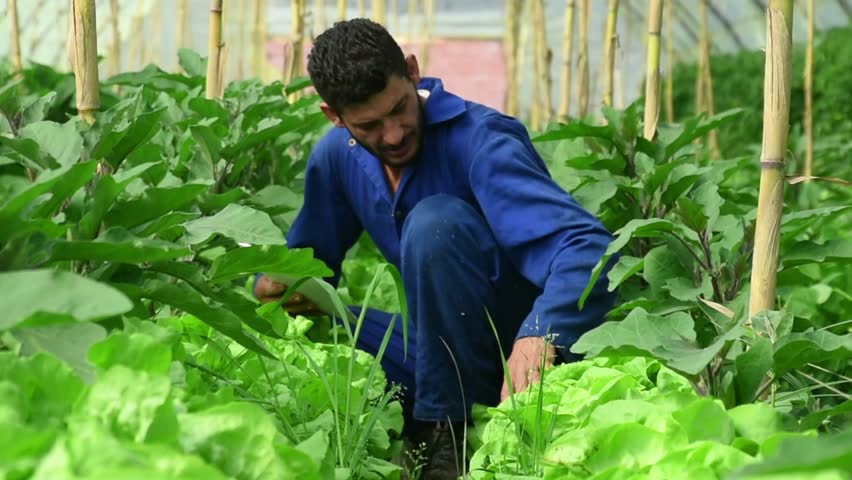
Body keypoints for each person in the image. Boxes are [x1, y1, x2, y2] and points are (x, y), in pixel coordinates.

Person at [254, 18, 617, 479]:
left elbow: (586, 247)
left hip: (516, 362)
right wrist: (276, 286)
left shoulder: (481, 141)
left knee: (434, 223)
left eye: (399, 108)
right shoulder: (336, 156)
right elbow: (308, 265)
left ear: (412, 70)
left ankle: (444, 436)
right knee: (332, 321)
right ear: (334, 116)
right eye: (368, 124)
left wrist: (541, 333)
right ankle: (436, 410)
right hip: (436, 355)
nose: (392, 135)